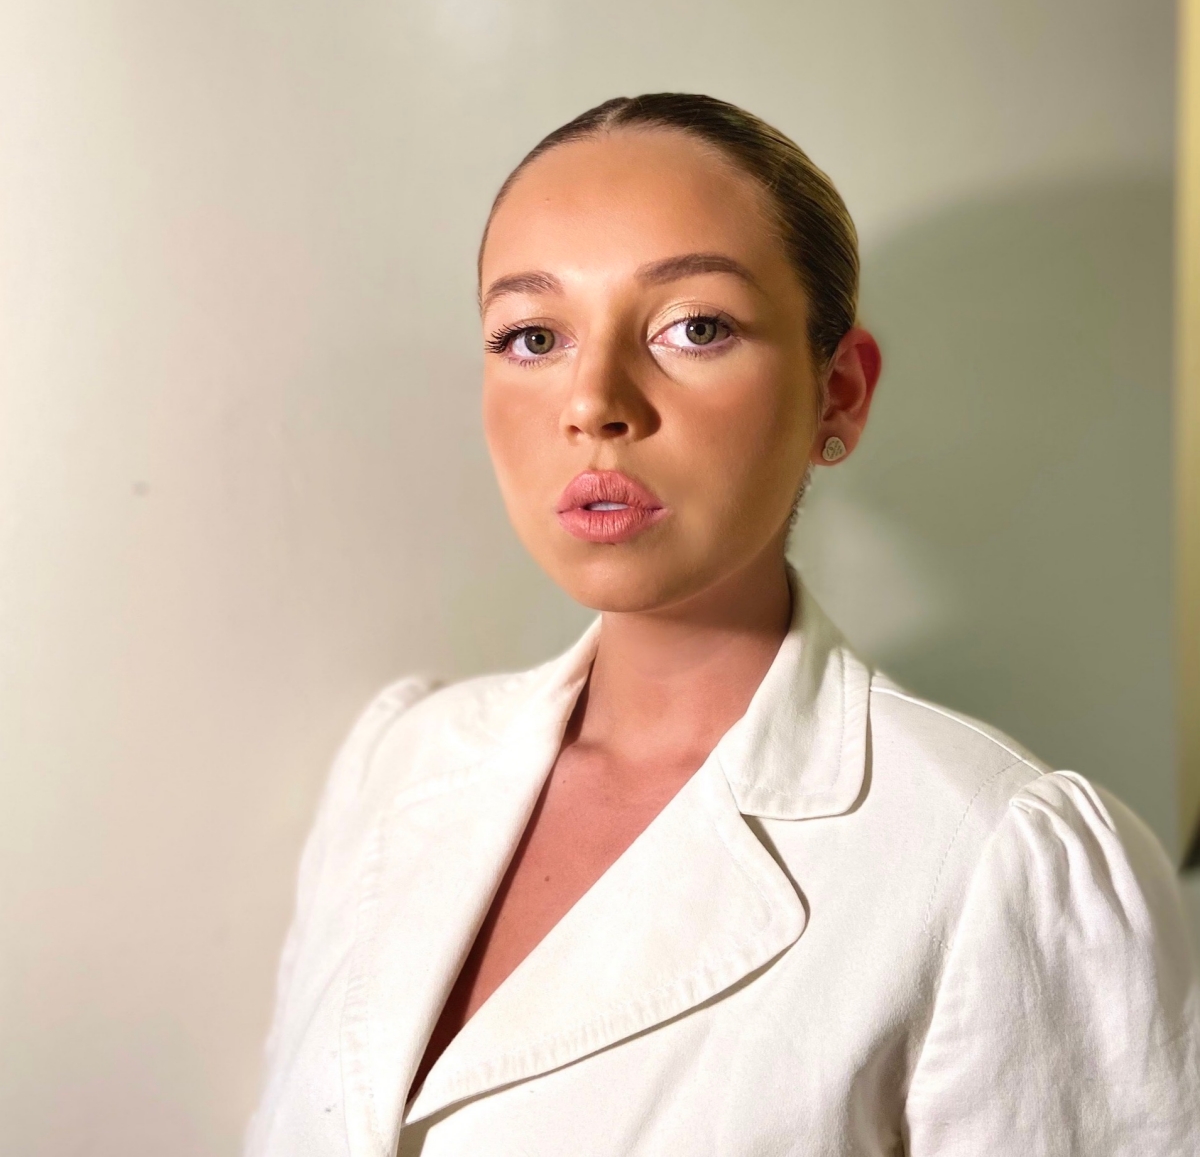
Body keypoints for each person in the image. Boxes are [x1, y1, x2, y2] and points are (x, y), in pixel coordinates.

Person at [244, 94, 1200, 1156]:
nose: (593, 402)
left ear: (840, 394)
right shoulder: (400, 763)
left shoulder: (993, 860)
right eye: (531, 336)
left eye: (695, 327)